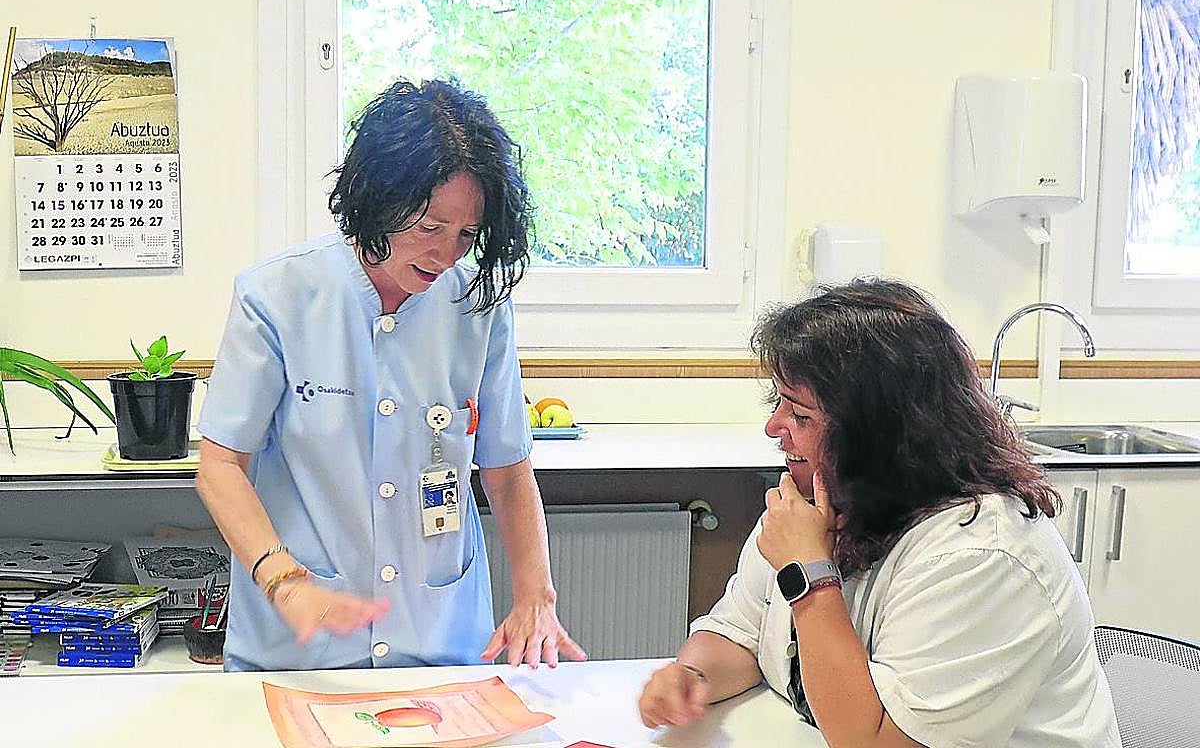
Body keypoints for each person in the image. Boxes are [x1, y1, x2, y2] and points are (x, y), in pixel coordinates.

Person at [196, 78, 584, 673]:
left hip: (440, 642)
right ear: (375, 200)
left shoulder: (476, 306)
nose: (446, 254)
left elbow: (507, 470)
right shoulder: (278, 296)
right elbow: (222, 466)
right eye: (429, 227)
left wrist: (537, 595)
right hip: (298, 648)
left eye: (466, 235)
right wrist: (283, 580)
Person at [638, 280, 1119, 747]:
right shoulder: (817, 504)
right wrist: (692, 676)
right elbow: (740, 632)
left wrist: (810, 577)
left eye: (801, 416)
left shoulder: (980, 555)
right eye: (779, 404)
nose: (774, 427)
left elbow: (879, 743)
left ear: (880, 438)